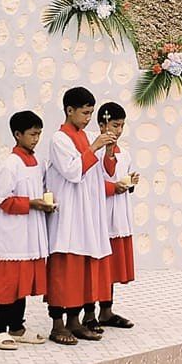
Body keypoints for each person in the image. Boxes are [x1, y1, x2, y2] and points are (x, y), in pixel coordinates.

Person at [43, 87, 116, 346]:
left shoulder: (85, 137)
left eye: (90, 113)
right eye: (84, 113)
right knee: (64, 270)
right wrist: (95, 146)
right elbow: (73, 172)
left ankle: (74, 321)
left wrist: (106, 151)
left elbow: (100, 175)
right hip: (68, 215)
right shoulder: (59, 139)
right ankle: (57, 324)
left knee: (81, 270)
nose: (88, 118)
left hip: (86, 214)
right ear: (69, 110)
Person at [0, 110, 52, 349]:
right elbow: (3, 200)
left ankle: (16, 326)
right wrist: (33, 203)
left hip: (29, 235)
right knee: (8, 283)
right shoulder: (10, 165)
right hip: (12, 237)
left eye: (39, 134)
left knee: (22, 283)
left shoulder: (36, 163)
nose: (36, 139)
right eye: (32, 134)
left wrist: (45, 205)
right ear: (17, 134)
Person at [89, 101, 139, 332]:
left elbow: (119, 176)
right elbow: (91, 182)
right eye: (115, 125)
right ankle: (88, 312)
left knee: (109, 265)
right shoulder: (92, 150)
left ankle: (106, 310)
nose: (118, 131)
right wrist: (112, 188)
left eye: (122, 126)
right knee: (97, 264)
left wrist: (130, 183)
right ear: (102, 124)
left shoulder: (125, 153)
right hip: (99, 213)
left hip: (118, 214)